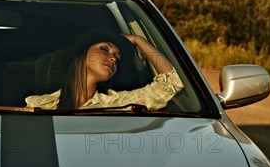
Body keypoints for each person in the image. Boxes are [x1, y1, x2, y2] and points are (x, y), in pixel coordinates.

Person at [25, 29, 184, 110]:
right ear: (82, 54)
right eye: (104, 49)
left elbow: (173, 81)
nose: (113, 58)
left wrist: (138, 40)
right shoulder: (39, 105)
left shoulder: (119, 104)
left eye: (117, 57)